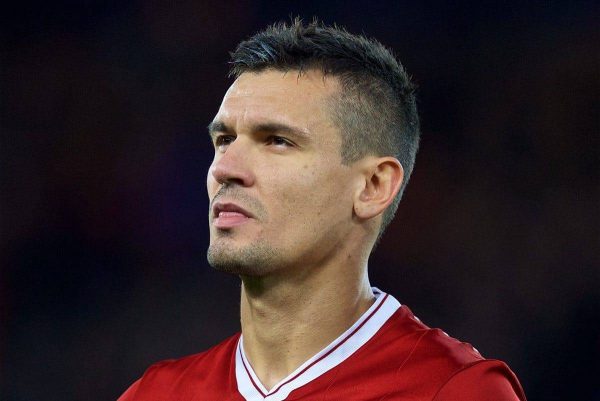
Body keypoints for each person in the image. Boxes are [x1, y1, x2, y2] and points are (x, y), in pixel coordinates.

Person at [118, 19, 527, 401]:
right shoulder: (155, 393)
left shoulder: (454, 390)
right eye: (224, 140)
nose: (225, 169)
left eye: (277, 140)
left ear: (373, 186)